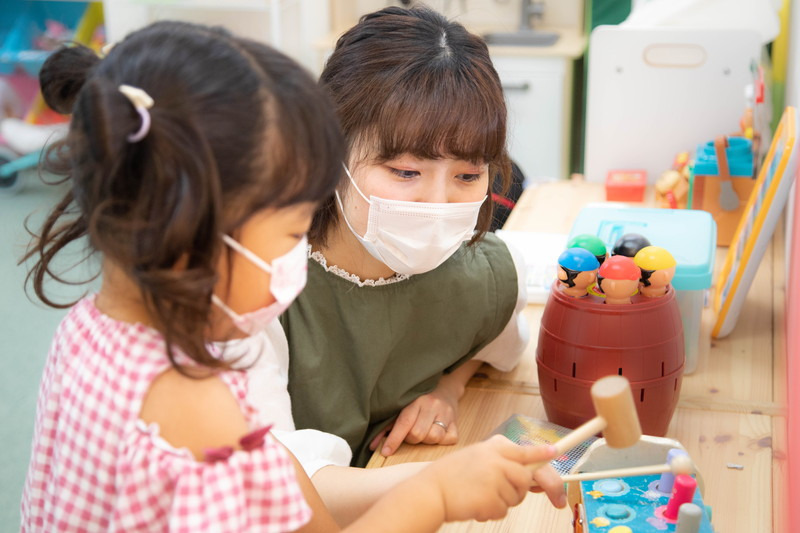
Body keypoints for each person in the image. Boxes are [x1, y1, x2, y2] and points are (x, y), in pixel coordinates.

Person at [19, 21, 565, 532]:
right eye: (289, 233)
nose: (296, 257)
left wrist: (449, 390)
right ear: (199, 231)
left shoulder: (88, 331)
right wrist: (437, 494)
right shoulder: (205, 416)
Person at [281, 5, 531, 467]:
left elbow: (499, 342)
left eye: (467, 175)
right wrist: (443, 485)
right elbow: (278, 480)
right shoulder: (262, 286)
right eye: (405, 171)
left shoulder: (484, 280)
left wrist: (449, 387)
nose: (437, 203)